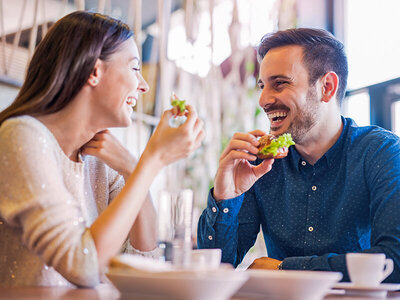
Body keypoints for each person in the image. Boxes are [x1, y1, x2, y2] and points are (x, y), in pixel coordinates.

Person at [0, 11, 204, 287]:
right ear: (94, 71)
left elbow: (145, 258)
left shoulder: (100, 159)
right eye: (134, 68)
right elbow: (84, 266)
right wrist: (152, 160)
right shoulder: (21, 136)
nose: (143, 85)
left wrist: (133, 167)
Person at [197, 27, 400, 282]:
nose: (263, 99)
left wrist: (285, 269)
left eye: (279, 83)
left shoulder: (382, 153)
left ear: (327, 87)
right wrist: (226, 196)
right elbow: (212, 271)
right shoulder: (259, 165)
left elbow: (395, 260)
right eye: (262, 86)